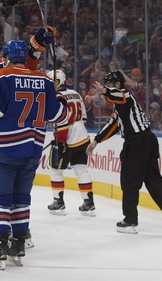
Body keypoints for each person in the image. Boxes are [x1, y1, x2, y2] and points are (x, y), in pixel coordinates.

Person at [0, 40, 68, 270]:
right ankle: (18, 243)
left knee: (0, 200)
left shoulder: (2, 76)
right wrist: (59, 98)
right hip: (32, 151)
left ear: (6, 56)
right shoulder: (44, 79)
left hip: (4, 149)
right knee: (21, 199)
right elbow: (58, 114)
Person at [85, 70, 162, 234]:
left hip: (137, 142)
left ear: (117, 85)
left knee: (129, 181)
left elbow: (117, 95)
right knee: (152, 179)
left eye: (109, 85)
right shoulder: (120, 105)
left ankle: (130, 220)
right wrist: (96, 141)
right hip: (148, 140)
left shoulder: (124, 95)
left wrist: (104, 91)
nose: (106, 88)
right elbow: (114, 124)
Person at [47, 69, 96, 217]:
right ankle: (89, 203)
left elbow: (61, 121)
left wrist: (60, 142)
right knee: (81, 169)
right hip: (82, 136)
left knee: (56, 169)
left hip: (66, 137)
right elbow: (85, 117)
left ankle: (58, 202)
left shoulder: (56, 97)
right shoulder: (75, 93)